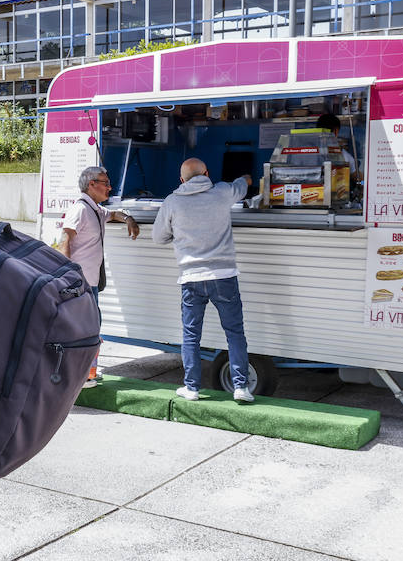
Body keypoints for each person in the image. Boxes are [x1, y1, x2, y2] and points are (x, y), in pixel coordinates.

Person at [152, 158, 255, 405]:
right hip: (224, 276)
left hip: (191, 277)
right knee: (234, 333)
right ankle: (241, 387)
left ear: (181, 180)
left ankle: (192, 388)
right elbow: (243, 184)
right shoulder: (221, 192)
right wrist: (248, 178)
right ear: (207, 173)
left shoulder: (172, 201)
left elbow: (158, 237)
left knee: (190, 335)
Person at [58, 164, 139, 385]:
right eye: (105, 183)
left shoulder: (95, 209)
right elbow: (65, 240)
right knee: (84, 330)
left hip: (91, 283)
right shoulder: (81, 209)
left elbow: (112, 214)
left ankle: (88, 373)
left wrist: (128, 219)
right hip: (80, 283)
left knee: (93, 328)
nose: (110, 188)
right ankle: (81, 376)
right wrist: (68, 277)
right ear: (91, 184)